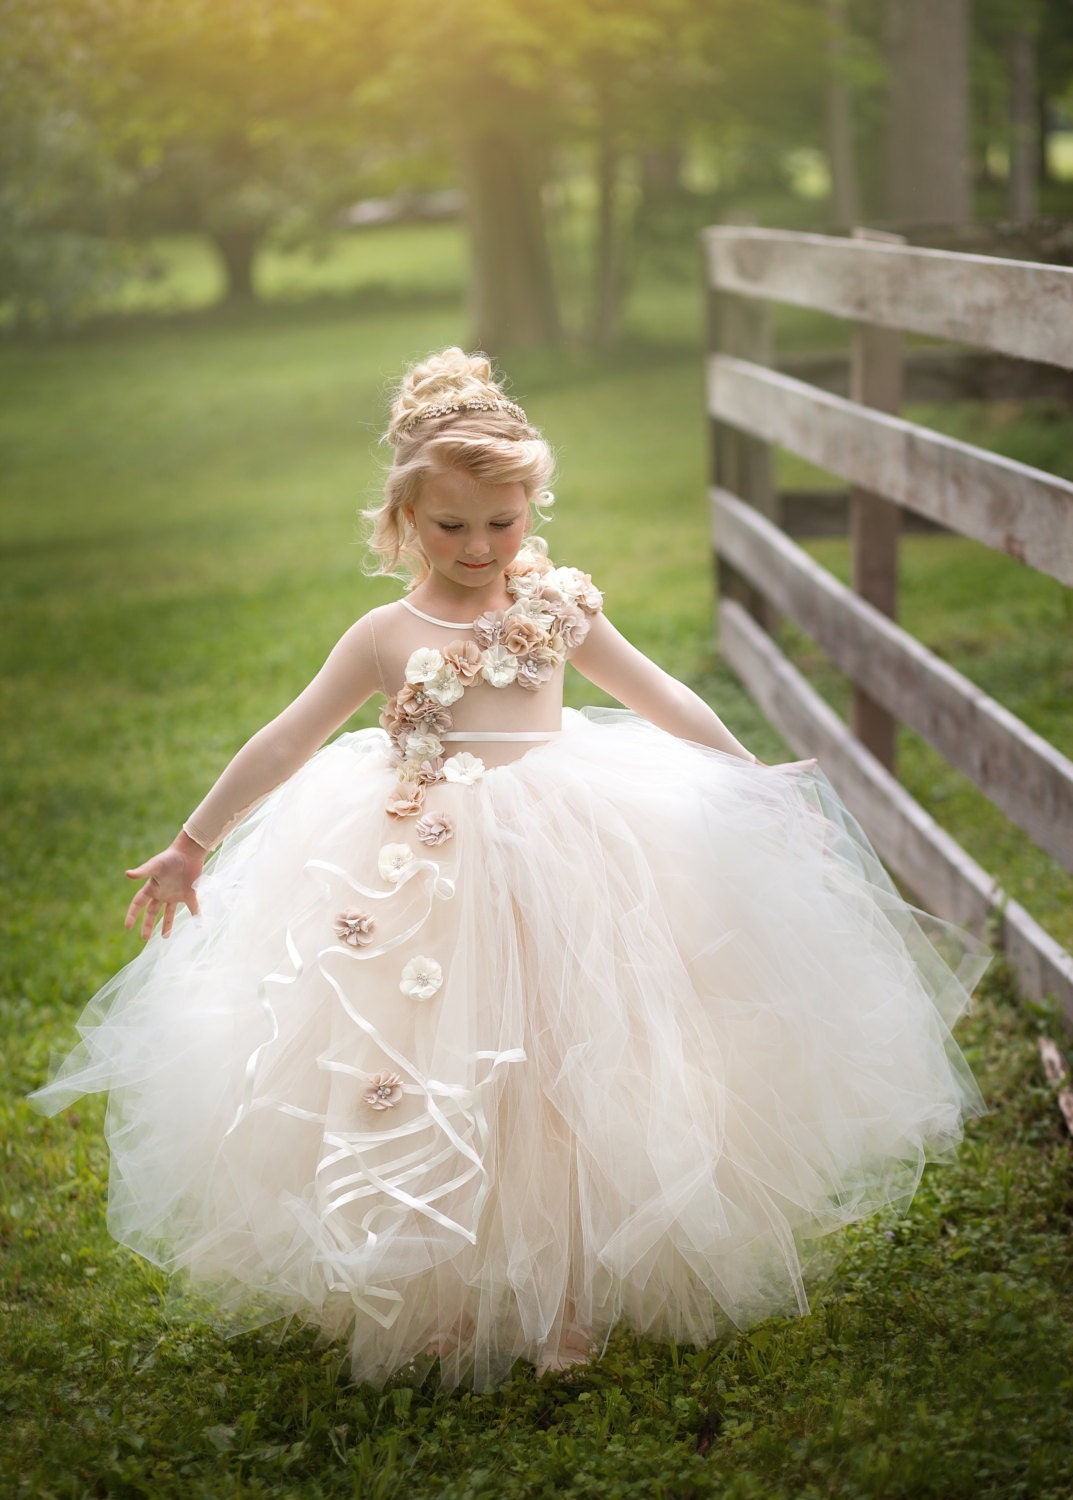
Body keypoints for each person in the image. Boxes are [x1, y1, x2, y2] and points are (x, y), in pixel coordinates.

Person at [32, 347, 986, 1390]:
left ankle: (562, 1299)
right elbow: (285, 738)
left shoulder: (556, 608)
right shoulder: (384, 634)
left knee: (559, 1071)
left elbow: (659, 693)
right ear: (401, 520)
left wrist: (747, 775)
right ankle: (443, 1288)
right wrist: (190, 842)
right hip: (423, 874)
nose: (481, 547)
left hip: (563, 859)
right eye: (451, 526)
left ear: (531, 507)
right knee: (434, 1070)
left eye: (505, 521)